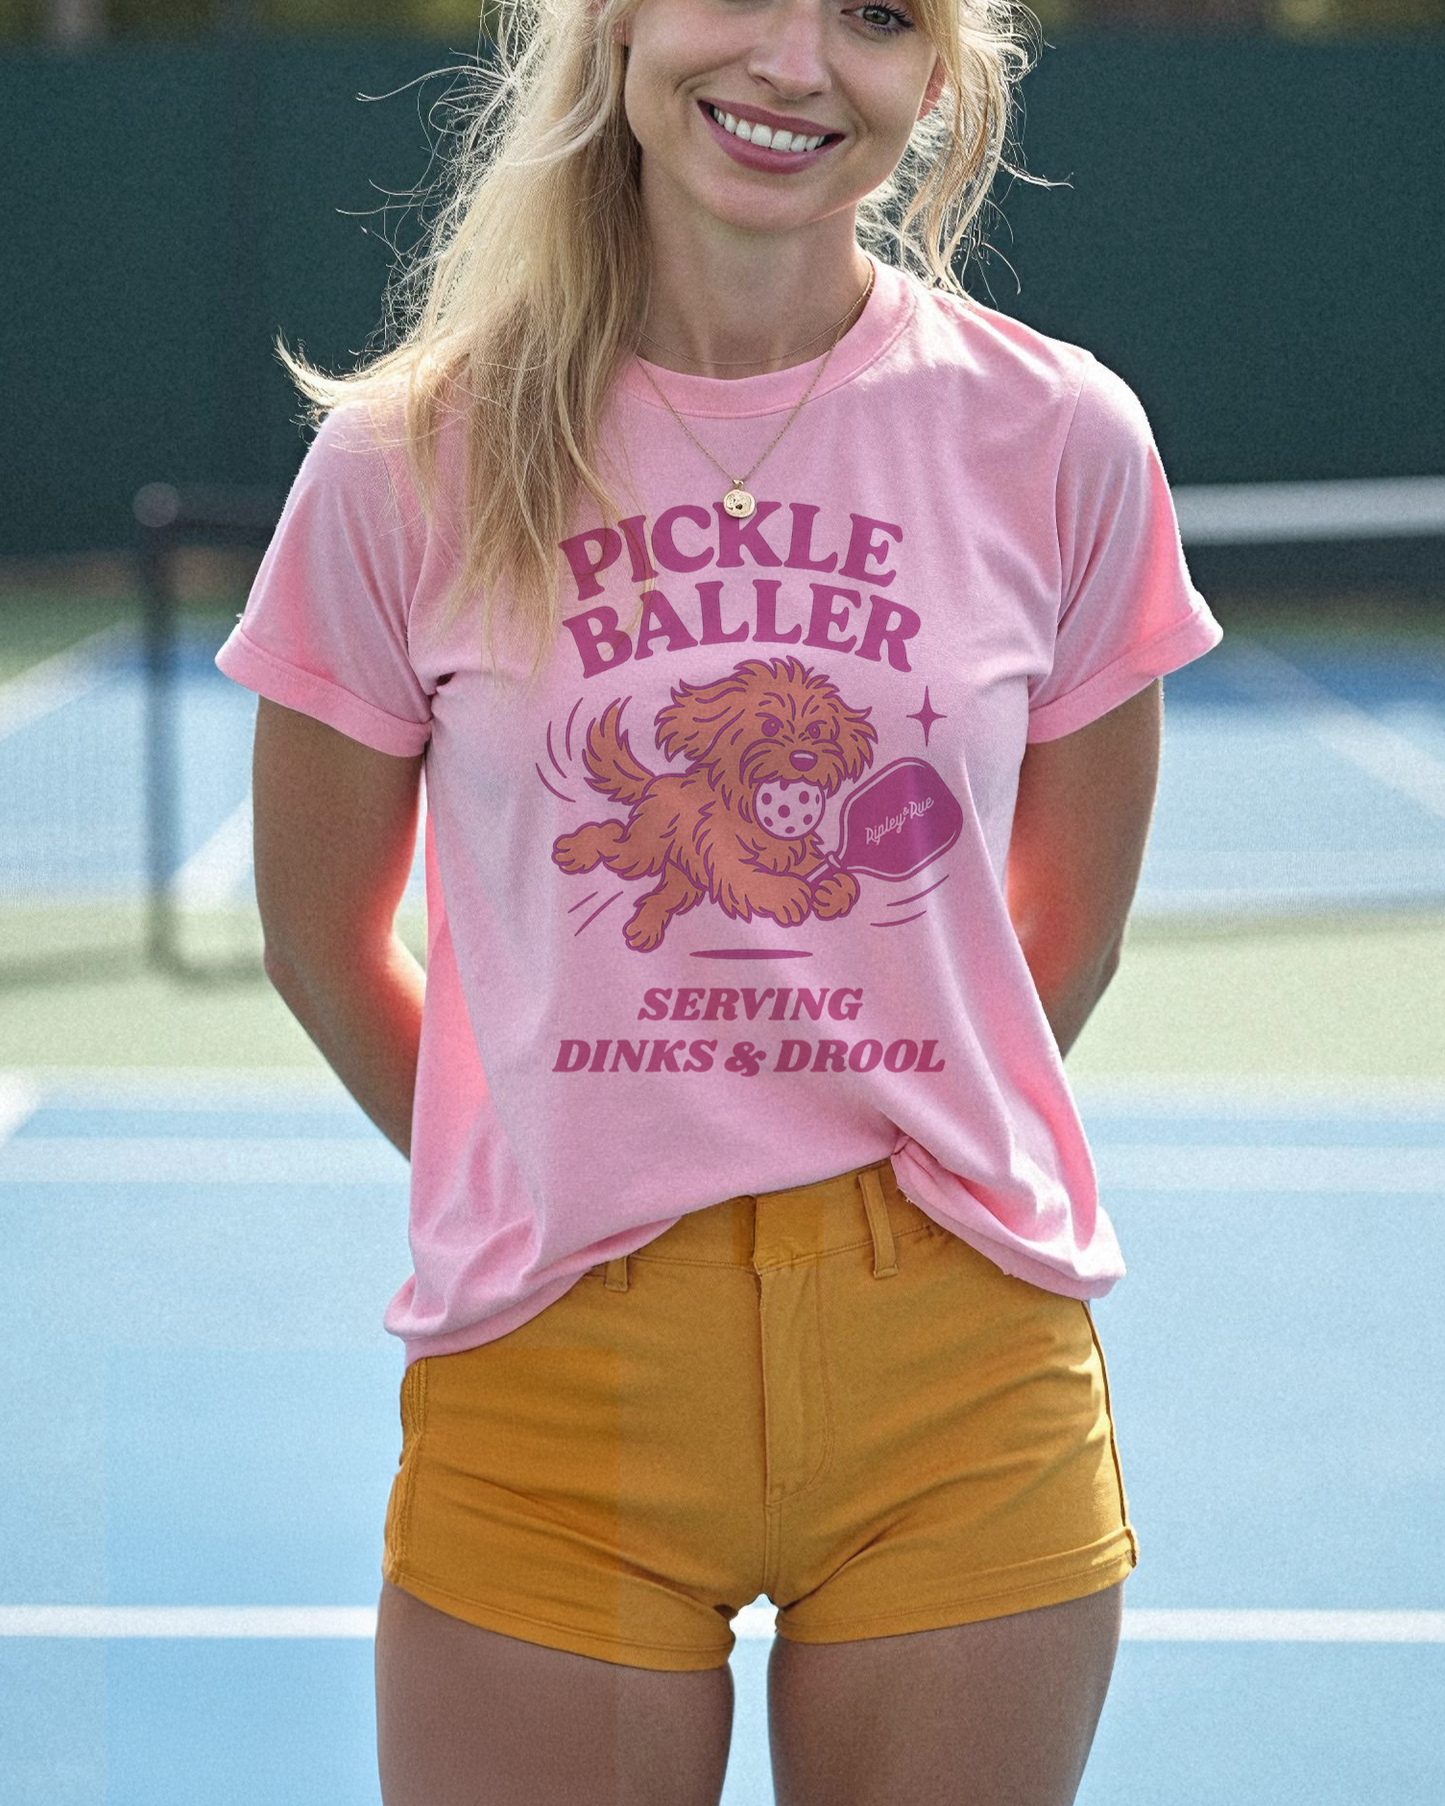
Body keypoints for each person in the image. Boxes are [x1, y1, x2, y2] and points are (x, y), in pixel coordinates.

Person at [215, 0, 1223, 1797]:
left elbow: (1059, 928)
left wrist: (906, 1166)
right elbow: (316, 935)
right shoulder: (404, 461)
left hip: (954, 1365)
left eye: (875, 16)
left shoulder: (1064, 439)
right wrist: (531, 1157)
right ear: (613, 26)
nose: (791, 62)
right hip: (555, 1372)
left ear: (942, 77)